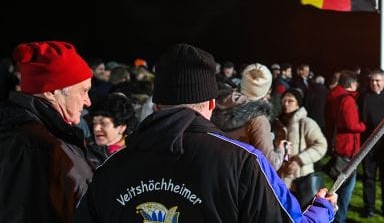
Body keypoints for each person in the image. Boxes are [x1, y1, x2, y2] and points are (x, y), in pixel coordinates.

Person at [73, 43, 335, 222]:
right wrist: (320, 212)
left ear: (156, 106)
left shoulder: (112, 166)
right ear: (211, 104)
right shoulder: (244, 163)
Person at [0, 41, 94, 222]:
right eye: (83, 91)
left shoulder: (49, 134)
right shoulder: (34, 147)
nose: (88, 101)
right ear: (52, 92)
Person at [211, 63, 284, 169]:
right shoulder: (258, 119)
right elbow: (270, 163)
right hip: (234, 176)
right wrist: (281, 151)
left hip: (209, 168)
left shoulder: (215, 101)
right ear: (265, 90)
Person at [325, 70, 366, 223]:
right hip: (347, 146)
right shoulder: (347, 100)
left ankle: (335, 216)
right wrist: (363, 126)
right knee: (346, 187)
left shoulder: (333, 96)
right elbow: (351, 124)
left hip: (339, 144)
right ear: (351, 84)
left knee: (340, 185)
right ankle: (339, 218)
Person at [273, 88, 327, 202]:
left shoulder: (306, 123)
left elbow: (321, 145)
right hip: (281, 180)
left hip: (302, 180)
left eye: (290, 101)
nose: (286, 104)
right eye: (283, 101)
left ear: (298, 104)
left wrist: (299, 160)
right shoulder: (277, 124)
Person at [358, 69, 384, 218]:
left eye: (378, 80)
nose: (374, 83)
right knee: (369, 177)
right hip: (369, 144)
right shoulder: (364, 97)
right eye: (372, 80)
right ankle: (369, 207)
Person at [87, 93, 137, 167]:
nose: (96, 128)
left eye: (103, 123)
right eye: (94, 122)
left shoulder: (133, 156)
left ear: (121, 127)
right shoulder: (84, 148)